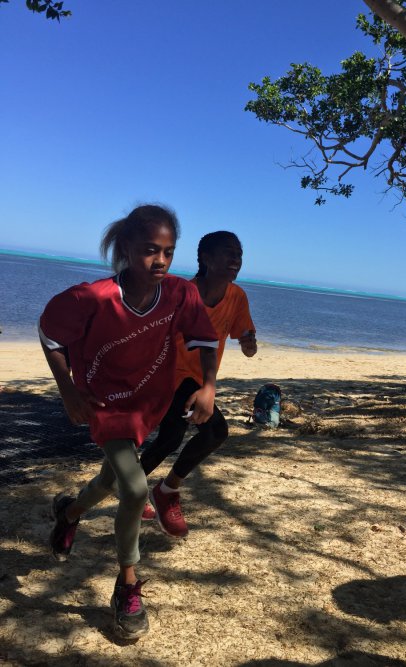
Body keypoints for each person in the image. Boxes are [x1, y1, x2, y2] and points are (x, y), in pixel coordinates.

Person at [39, 204, 218, 640]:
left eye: (168, 252)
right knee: (135, 488)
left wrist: (208, 387)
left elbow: (206, 338)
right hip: (103, 404)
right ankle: (127, 586)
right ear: (125, 248)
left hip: (146, 404)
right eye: (150, 250)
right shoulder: (94, 297)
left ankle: (70, 514)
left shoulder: (179, 294)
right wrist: (68, 389)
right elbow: (50, 333)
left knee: (110, 478)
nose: (160, 261)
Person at [140, 231, 257, 537]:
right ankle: (163, 491)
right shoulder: (183, 293)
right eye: (229, 253)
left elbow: (246, 341)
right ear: (206, 258)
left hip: (202, 380)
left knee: (171, 439)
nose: (236, 259)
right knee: (213, 431)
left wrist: (249, 344)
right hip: (170, 375)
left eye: (239, 254)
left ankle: (138, 487)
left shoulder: (237, 297)